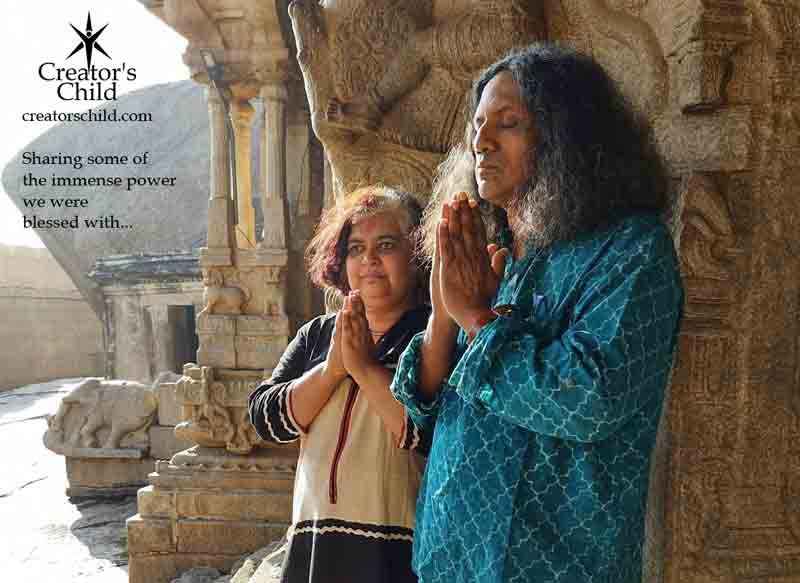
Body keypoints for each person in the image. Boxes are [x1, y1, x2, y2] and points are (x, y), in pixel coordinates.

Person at [390, 44, 684, 583]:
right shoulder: (495, 255)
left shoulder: (630, 252)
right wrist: (443, 314)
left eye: (508, 124)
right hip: (451, 559)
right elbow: (426, 411)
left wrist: (478, 318)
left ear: (564, 138)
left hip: (557, 565)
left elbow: (589, 400)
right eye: (477, 124)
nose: (480, 142)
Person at [248, 186, 431, 583]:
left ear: (417, 254)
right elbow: (265, 418)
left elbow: (427, 431)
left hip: (397, 545)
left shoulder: (432, 334)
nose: (369, 260)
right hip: (315, 540)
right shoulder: (316, 335)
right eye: (355, 248)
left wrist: (363, 368)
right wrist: (332, 369)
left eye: (386, 245)